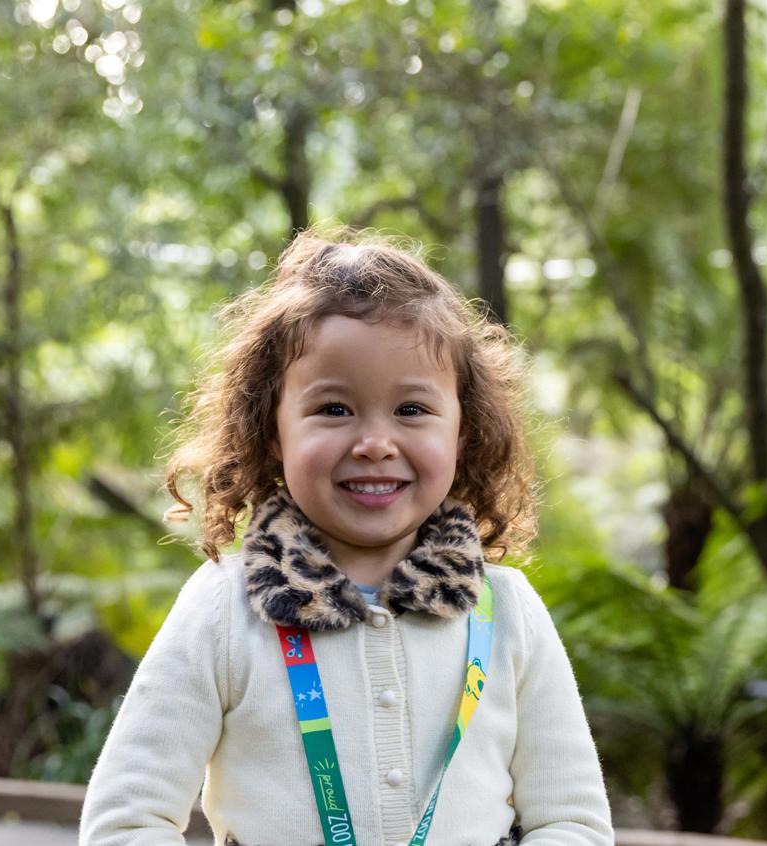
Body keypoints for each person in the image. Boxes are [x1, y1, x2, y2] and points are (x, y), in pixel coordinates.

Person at [79, 228, 613, 846]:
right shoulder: (225, 608)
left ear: (463, 433)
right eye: (334, 409)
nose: (375, 443)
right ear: (272, 431)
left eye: (412, 410)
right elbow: (127, 821)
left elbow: (572, 822)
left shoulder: (506, 611)